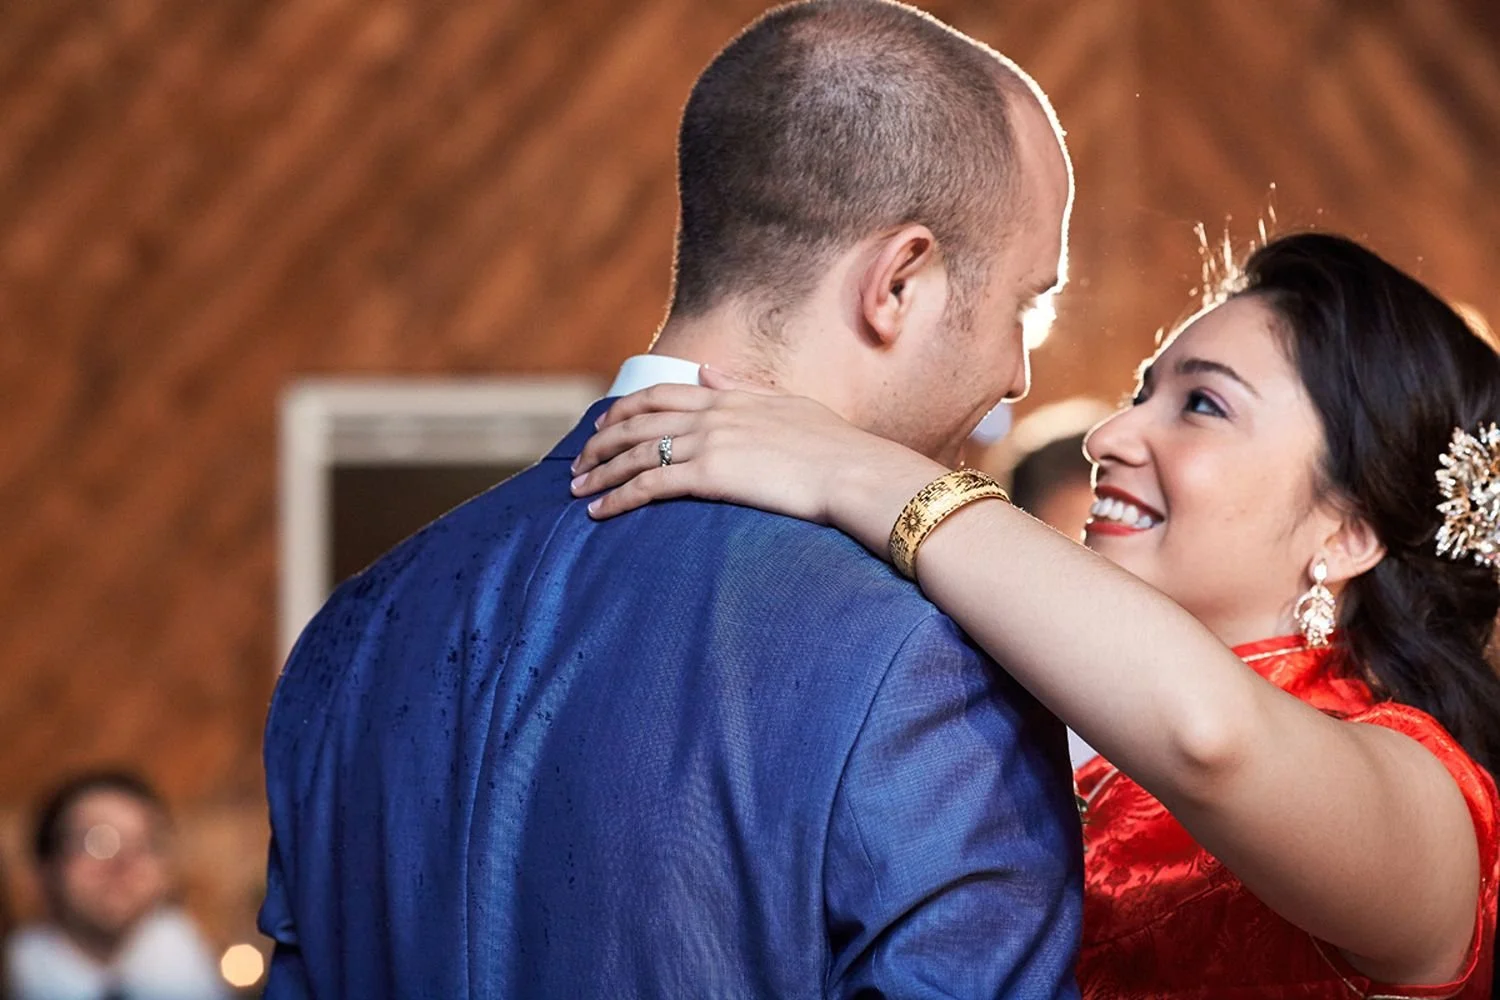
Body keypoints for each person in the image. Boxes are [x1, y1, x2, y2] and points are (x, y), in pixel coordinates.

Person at [260, 1, 1082, 996]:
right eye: (1026, 304)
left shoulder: (354, 627)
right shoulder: (932, 658)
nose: (1019, 373)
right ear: (898, 283)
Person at [572, 231, 1500, 997]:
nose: (1110, 435)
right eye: (1144, 392)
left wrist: (855, 469)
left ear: (1349, 533)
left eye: (1202, 405)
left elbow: (1211, 737)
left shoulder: (1435, 812)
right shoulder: (1022, 722)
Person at [6, 772, 226, 1000]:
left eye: (145, 845)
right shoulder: (13, 977)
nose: (124, 863)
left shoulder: (192, 967)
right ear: (46, 868)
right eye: (97, 841)